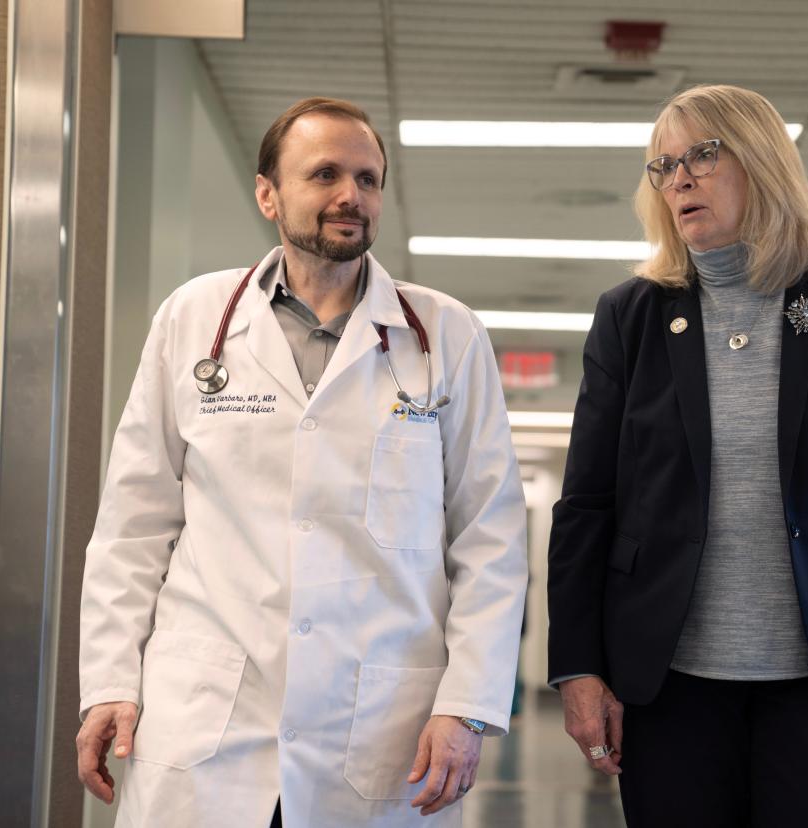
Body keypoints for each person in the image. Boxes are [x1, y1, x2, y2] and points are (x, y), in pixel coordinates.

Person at [76, 97, 528, 827]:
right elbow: (134, 524)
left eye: (369, 178)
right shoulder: (194, 319)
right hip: (207, 716)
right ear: (268, 194)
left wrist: (467, 707)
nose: (351, 195)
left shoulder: (446, 334)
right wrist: (108, 681)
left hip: (382, 726)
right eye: (324, 174)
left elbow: (491, 541)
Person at [547, 84, 808, 826]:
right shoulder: (631, 316)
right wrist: (578, 666)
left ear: (762, 162)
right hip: (667, 678)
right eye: (663, 166)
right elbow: (588, 503)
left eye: (702, 154)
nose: (680, 178)